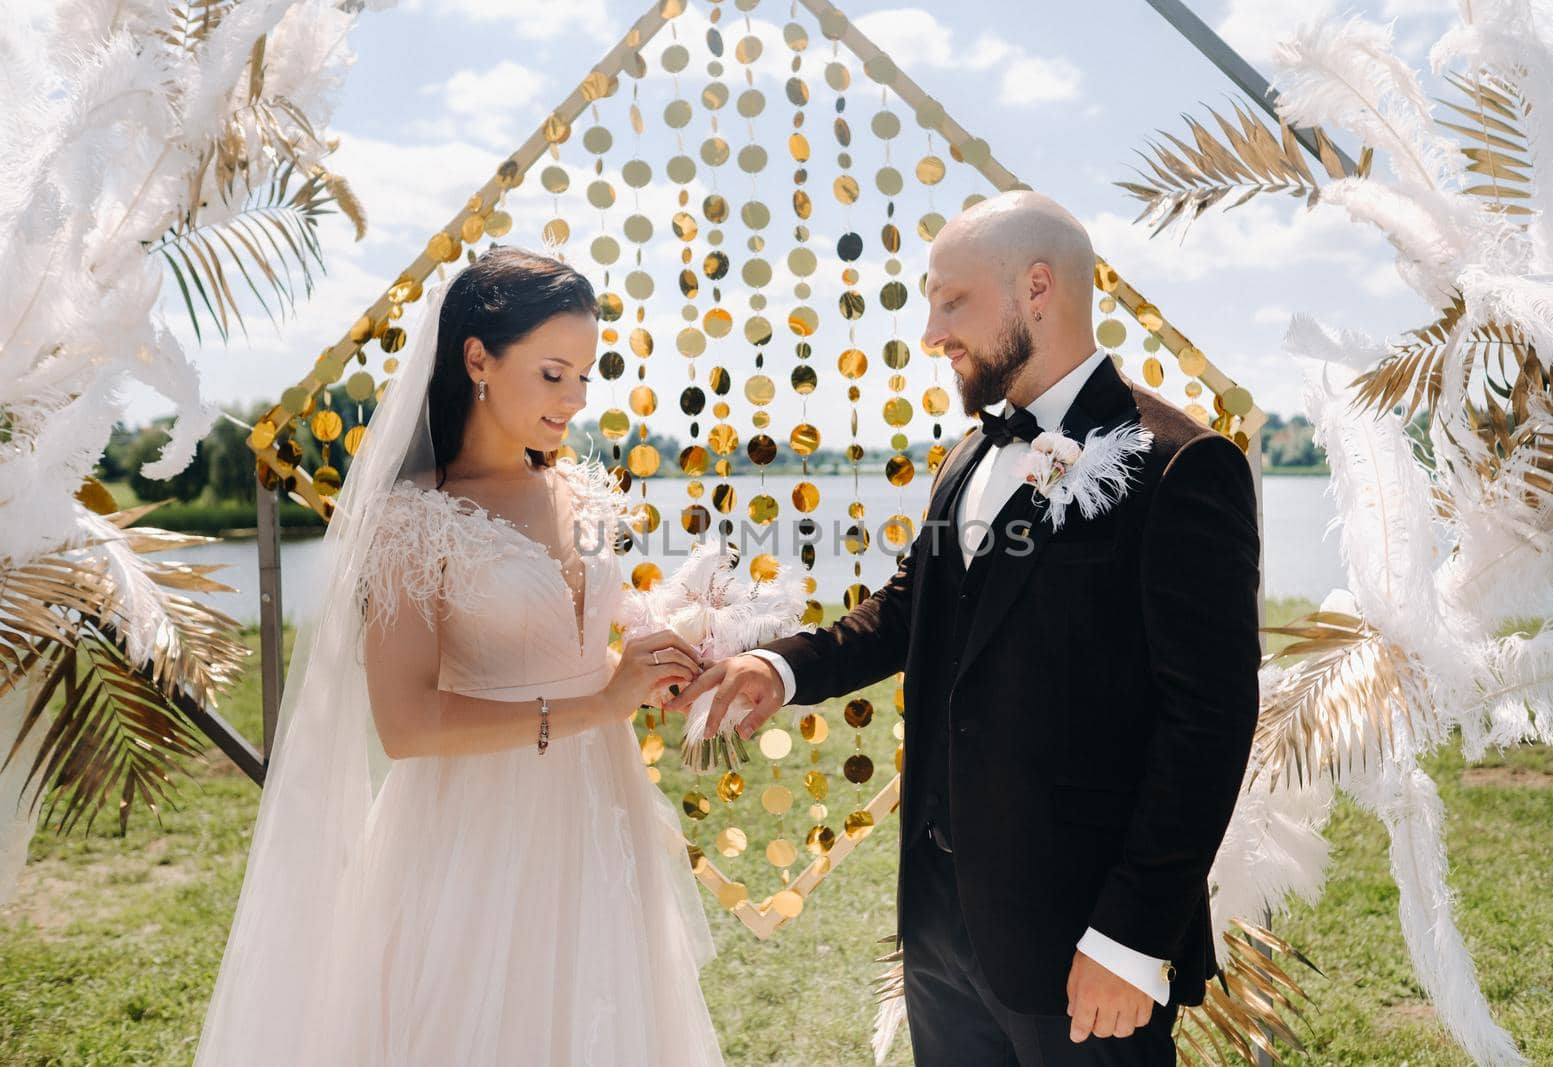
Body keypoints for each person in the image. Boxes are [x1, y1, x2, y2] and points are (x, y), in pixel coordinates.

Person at [669, 191, 1261, 1066]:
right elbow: (911, 610)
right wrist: (779, 666)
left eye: (953, 301)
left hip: (1082, 948)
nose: (931, 333)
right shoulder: (968, 456)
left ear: (1036, 287)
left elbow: (1209, 724)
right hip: (943, 934)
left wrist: (1129, 938)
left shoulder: (1182, 465)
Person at [196, 247, 725, 1067]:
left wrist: (657, 655)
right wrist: (599, 704)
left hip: (601, 809)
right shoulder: (414, 520)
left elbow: (578, 629)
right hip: (479, 832)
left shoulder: (583, 492)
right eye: (554, 374)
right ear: (477, 357)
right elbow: (404, 724)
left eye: (586, 376)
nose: (576, 399)